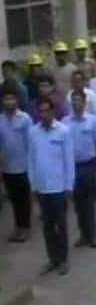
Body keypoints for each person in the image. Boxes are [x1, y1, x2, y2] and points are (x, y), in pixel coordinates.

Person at [28, 97, 75, 276]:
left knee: (60, 225)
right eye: (41, 111)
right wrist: (33, 185)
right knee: (47, 226)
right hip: (42, 188)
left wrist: (69, 186)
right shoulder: (33, 133)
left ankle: (63, 260)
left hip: (59, 188)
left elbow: (69, 160)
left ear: (53, 112)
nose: (44, 114)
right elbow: (31, 160)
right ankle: (52, 259)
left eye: (47, 111)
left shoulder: (63, 131)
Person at [63, 90, 96, 248]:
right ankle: (83, 234)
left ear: (85, 102)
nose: (76, 103)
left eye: (79, 100)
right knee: (78, 204)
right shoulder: (65, 122)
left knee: (89, 203)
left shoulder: (93, 121)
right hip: (72, 167)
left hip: (89, 165)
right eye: (73, 100)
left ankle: (93, 235)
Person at [0, 86, 33, 242]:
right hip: (7, 167)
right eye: (6, 99)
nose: (9, 102)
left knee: (24, 199)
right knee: (14, 199)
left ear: (17, 100)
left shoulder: (25, 119)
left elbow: (31, 143)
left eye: (12, 98)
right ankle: (18, 227)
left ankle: (25, 227)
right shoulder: (0, 119)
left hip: (23, 166)